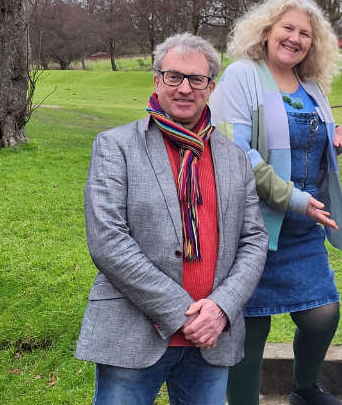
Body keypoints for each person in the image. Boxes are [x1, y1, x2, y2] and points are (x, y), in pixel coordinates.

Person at [75, 32, 269, 405]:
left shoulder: (235, 158)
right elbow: (107, 240)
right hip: (134, 334)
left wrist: (221, 308)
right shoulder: (116, 146)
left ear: (210, 87)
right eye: (174, 76)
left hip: (212, 338)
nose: (185, 88)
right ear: (156, 81)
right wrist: (182, 313)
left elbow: (254, 240)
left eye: (196, 79)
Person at [209, 0, 342, 405]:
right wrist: (293, 199)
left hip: (303, 225)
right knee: (251, 327)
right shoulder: (241, 74)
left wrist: (334, 135)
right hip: (255, 227)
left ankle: (304, 389)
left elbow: (298, 136)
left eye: (305, 34)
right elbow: (237, 150)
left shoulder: (309, 84)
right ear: (267, 31)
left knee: (322, 314)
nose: (296, 38)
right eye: (288, 28)